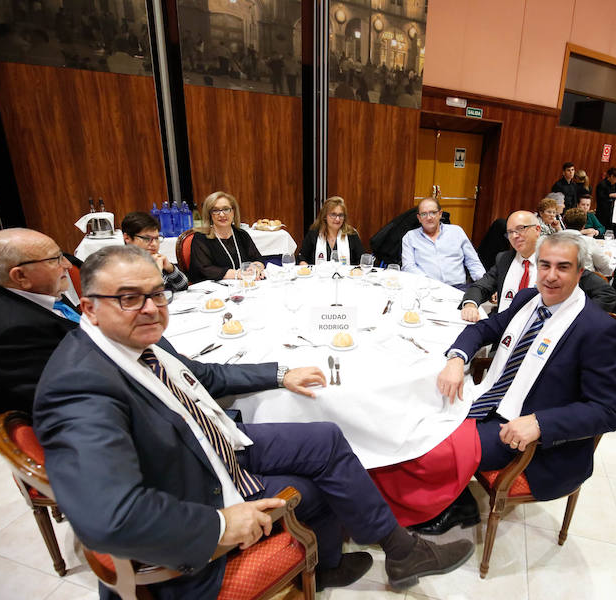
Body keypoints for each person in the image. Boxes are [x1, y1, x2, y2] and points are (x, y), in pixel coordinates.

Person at [33, 245, 474, 598]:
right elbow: (108, 519)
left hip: (205, 440)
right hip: (193, 487)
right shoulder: (80, 386)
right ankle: (357, 560)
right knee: (313, 487)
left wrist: (279, 373)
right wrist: (222, 525)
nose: (150, 308)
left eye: (156, 293)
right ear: (89, 307)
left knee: (327, 439)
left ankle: (378, 556)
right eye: (129, 297)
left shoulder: (134, 340)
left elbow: (203, 373)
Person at [432, 232, 616, 527]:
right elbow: (485, 329)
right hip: (489, 399)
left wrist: (540, 423)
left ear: (580, 272)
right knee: (422, 416)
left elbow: (607, 412)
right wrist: (457, 358)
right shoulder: (527, 300)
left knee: (435, 445)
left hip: (522, 431)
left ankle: (435, 508)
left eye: (562, 267)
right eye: (544, 265)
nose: (550, 276)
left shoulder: (596, 328)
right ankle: (447, 499)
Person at [0, 228, 79, 414]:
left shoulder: (35, 292)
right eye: (54, 259)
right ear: (20, 276)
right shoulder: (14, 333)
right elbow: (65, 398)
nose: (67, 265)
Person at [460, 211, 541, 322]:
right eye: (510, 232)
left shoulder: (553, 262)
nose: (514, 236)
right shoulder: (504, 259)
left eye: (521, 228)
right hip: (501, 325)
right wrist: (470, 305)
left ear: (537, 230)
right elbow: (481, 287)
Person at [401, 198, 485, 288]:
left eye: (433, 213)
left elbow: (473, 262)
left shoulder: (456, 232)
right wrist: (428, 283)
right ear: (419, 218)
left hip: (458, 288)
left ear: (440, 214)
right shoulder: (410, 237)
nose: (429, 217)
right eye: (424, 214)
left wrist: (485, 285)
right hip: (426, 288)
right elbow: (408, 267)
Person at [189, 191, 264, 283]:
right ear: (209, 214)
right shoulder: (201, 238)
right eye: (215, 210)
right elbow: (205, 269)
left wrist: (256, 267)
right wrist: (238, 274)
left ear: (233, 211)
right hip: (213, 291)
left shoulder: (241, 234)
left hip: (244, 286)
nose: (222, 214)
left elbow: (258, 259)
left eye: (226, 209)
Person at [121, 211, 189, 292]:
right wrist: (156, 272)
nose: (154, 244)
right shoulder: (121, 266)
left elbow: (183, 286)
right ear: (127, 238)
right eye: (147, 239)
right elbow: (149, 296)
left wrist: (171, 269)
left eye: (156, 238)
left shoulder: (155, 258)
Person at [297, 196, 365, 265]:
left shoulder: (351, 235)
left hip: (345, 275)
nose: (337, 219)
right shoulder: (313, 234)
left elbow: (362, 260)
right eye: (333, 214)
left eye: (341, 215)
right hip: (319, 275)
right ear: (325, 216)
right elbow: (301, 258)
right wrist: (304, 266)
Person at [561, 208, 612, 276]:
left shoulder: (553, 240)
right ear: (583, 226)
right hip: (584, 281)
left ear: (565, 224)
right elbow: (604, 266)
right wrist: (608, 257)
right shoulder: (588, 241)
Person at [594, 167, 616, 237]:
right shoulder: (602, 184)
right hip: (602, 213)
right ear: (611, 176)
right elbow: (599, 198)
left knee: (611, 232)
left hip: (612, 213)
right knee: (602, 231)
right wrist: (610, 195)